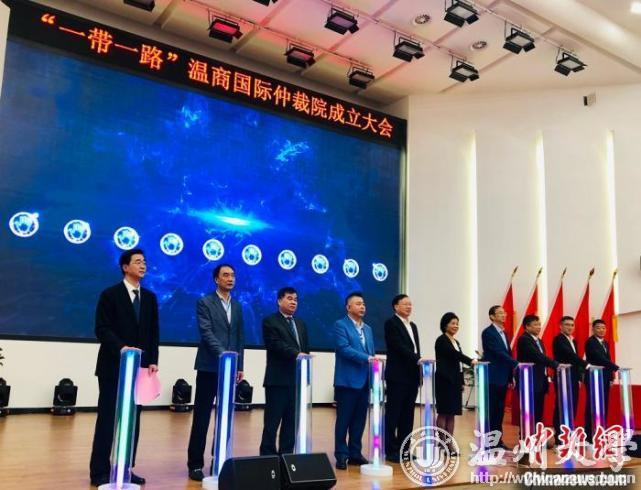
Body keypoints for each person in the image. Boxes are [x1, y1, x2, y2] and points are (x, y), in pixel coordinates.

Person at [90, 249, 159, 487]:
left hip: (139, 369)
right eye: (138, 262)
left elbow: (153, 332)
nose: (143, 265)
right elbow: (101, 328)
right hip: (112, 367)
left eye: (144, 262)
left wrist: (153, 360)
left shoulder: (149, 298)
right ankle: (99, 470)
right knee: (108, 419)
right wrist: (121, 348)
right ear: (125, 267)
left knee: (133, 420)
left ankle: (125, 468)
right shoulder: (110, 295)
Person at [187, 264, 245, 481]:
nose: (230, 278)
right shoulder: (205, 302)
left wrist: (239, 365)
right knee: (202, 417)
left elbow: (239, 337)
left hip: (229, 369)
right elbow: (206, 332)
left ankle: (219, 460)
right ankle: (195, 464)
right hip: (209, 367)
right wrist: (224, 354)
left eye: (233, 275)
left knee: (225, 417)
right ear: (216, 279)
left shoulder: (237, 306)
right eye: (226, 275)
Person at [259, 287, 310, 455]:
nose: (293, 302)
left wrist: (306, 376)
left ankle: (286, 457)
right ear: (279, 301)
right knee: (272, 423)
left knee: (291, 423)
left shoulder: (301, 324)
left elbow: (305, 350)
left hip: (296, 382)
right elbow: (274, 344)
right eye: (289, 298)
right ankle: (267, 458)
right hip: (278, 380)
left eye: (296, 299)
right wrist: (296, 354)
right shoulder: (270, 321)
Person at [332, 292, 375, 469]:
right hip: (347, 381)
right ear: (348, 307)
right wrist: (368, 358)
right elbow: (344, 349)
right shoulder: (340, 325)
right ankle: (341, 455)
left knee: (359, 421)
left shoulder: (368, 329)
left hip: (365, 381)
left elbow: (371, 352)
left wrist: (372, 361)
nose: (362, 306)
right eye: (358, 304)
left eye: (363, 304)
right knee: (344, 420)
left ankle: (355, 453)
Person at [383, 294, 421, 463]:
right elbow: (398, 346)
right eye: (405, 304)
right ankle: (391, 450)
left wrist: (419, 367)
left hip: (412, 376)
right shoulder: (391, 323)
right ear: (396, 306)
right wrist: (417, 359)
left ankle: (404, 449)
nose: (409, 307)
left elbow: (415, 349)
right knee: (394, 414)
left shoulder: (413, 326)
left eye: (410, 304)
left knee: (408, 415)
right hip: (397, 376)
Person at [434, 312, 477, 453]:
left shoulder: (456, 342)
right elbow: (455, 355)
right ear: (445, 325)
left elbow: (457, 364)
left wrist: (461, 381)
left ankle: (448, 443)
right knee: (443, 412)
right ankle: (443, 443)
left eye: (457, 323)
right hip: (444, 380)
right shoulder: (441, 340)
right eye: (452, 323)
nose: (456, 326)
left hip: (454, 381)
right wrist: (471, 361)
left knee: (452, 413)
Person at [481, 305, 518, 448]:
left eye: (504, 312)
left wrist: (510, 377)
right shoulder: (488, 333)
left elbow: (507, 354)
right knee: (491, 411)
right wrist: (515, 363)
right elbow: (498, 352)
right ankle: (489, 442)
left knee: (499, 412)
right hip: (492, 377)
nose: (504, 315)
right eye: (500, 313)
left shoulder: (504, 333)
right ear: (492, 316)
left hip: (502, 378)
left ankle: (497, 441)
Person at [516, 315, 558, 426]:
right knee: (529, 412)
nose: (539, 327)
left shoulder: (538, 340)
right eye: (535, 325)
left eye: (539, 324)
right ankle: (527, 435)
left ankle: (536, 434)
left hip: (540, 380)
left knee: (538, 411)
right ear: (527, 326)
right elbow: (537, 356)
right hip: (529, 380)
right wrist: (555, 365)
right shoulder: (524, 339)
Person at [552, 315, 588, 444]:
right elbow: (571, 356)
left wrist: (579, 377)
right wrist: (586, 365)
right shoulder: (558, 339)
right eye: (567, 325)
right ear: (560, 326)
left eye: (572, 325)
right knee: (562, 406)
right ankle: (560, 437)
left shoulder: (573, 341)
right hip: (562, 377)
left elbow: (575, 362)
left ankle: (569, 433)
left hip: (572, 378)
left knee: (572, 405)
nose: (570, 327)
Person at [584, 319, 619, 442]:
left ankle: (601, 432)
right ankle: (590, 435)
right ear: (593, 329)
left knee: (603, 405)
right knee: (593, 406)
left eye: (603, 328)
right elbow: (600, 359)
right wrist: (616, 367)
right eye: (598, 327)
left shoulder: (605, 343)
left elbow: (607, 360)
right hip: (593, 378)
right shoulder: (590, 342)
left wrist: (611, 377)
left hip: (604, 378)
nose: (601, 330)